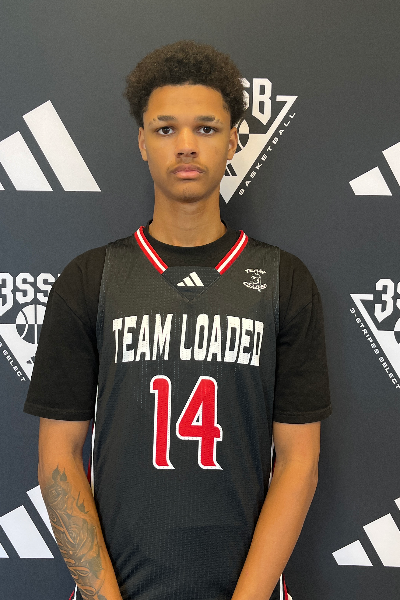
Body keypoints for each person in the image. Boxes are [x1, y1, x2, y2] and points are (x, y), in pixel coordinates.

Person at [24, 40, 331, 600]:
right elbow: (59, 457)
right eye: (166, 129)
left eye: (206, 128)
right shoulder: (92, 278)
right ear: (142, 141)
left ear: (233, 139)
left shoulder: (283, 281)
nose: (186, 145)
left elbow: (299, 461)